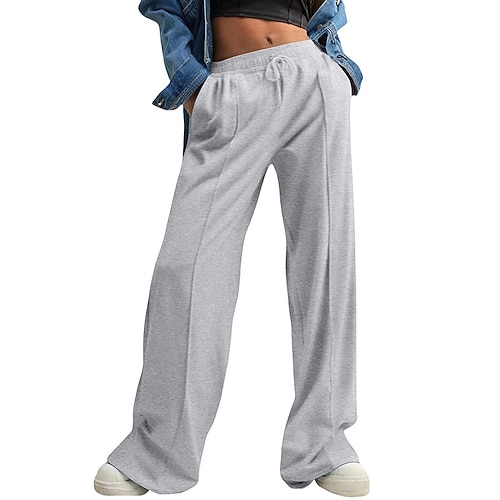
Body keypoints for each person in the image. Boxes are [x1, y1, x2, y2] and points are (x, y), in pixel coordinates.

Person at [93, 0, 369, 496]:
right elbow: (162, 6)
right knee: (187, 271)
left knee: (326, 265)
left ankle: (324, 444)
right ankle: (158, 452)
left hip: (314, 79)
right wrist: (193, 85)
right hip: (228, 85)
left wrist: (337, 70)